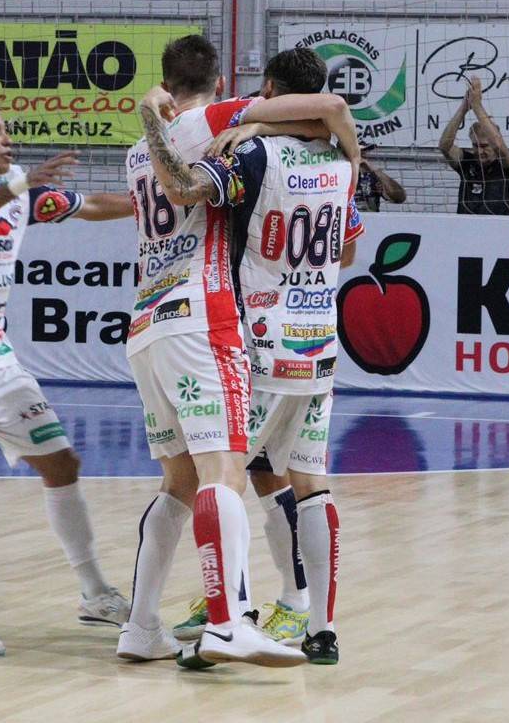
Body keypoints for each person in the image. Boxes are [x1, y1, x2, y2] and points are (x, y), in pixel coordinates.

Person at [119, 36, 357, 668]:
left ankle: (185, 619)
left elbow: (178, 189)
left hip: (183, 322)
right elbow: (330, 121)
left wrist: (162, 121)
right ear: (222, 81)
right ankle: (292, 618)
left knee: (196, 477)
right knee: (279, 478)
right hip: (300, 336)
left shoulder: (145, 154)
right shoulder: (329, 165)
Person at [0, 102, 133, 656]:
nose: (7, 140)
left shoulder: (21, 195)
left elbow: (92, 205)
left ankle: (94, 593)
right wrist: (19, 185)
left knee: (61, 461)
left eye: (7, 131)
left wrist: (158, 204)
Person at [438, 77, 509, 215]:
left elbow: (499, 146)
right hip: (465, 230)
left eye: (484, 146)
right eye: (475, 145)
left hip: (499, 232)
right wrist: (463, 109)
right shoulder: (467, 162)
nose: (479, 151)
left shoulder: (507, 166)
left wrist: (477, 106)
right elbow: (444, 146)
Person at [353, 144, 406, 212]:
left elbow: (400, 197)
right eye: (361, 151)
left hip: (372, 218)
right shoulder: (341, 171)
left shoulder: (372, 175)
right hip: (348, 219)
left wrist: (373, 170)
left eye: (366, 151)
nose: (365, 154)